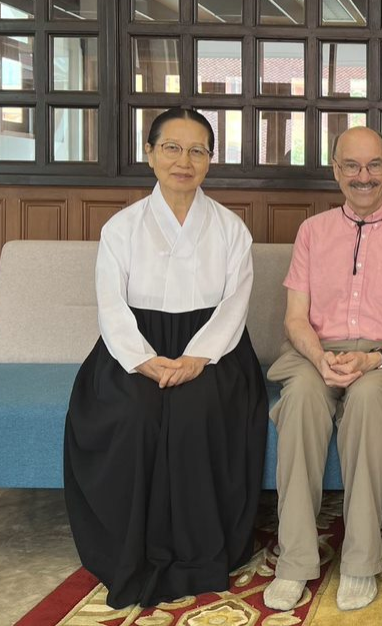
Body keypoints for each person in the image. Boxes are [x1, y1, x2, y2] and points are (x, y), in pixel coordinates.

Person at [64, 107, 268, 609]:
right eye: (172, 148)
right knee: (136, 413)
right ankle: (130, 550)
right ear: (149, 154)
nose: (184, 160)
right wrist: (143, 360)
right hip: (133, 348)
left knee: (195, 414)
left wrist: (197, 357)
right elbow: (110, 305)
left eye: (198, 150)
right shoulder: (122, 227)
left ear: (210, 161)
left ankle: (201, 551)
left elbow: (234, 304)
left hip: (214, 350)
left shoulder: (230, 229)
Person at [263, 126, 382, 612]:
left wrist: (373, 359)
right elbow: (294, 318)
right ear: (335, 169)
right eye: (351, 166)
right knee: (300, 398)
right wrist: (320, 358)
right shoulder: (312, 232)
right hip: (315, 352)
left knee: (366, 400)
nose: (363, 177)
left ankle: (360, 562)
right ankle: (296, 560)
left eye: (374, 166)